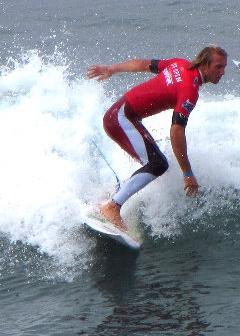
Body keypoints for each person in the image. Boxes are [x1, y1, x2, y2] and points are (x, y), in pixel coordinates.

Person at [86, 45, 228, 230]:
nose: (223, 72)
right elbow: (176, 131)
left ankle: (112, 199)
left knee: (154, 162)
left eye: (224, 67)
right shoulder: (190, 91)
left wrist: (112, 68)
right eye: (219, 67)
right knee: (157, 164)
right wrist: (188, 173)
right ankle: (112, 207)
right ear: (204, 64)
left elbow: (144, 65)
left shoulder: (180, 64)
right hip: (121, 119)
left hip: (119, 115)